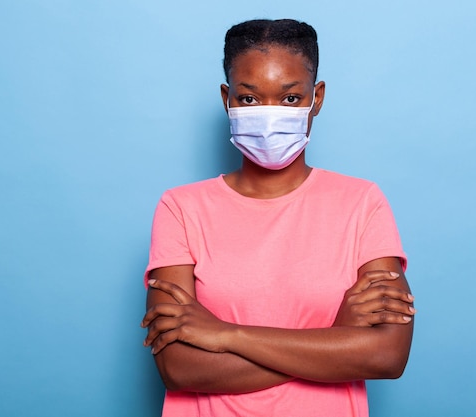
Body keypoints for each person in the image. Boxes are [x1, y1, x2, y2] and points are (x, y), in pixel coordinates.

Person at [141, 18, 415, 417]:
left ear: (316, 98)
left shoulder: (362, 204)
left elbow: (386, 356)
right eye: (250, 99)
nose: (269, 115)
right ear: (227, 99)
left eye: (289, 99)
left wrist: (224, 335)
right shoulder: (180, 208)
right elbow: (179, 367)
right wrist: (335, 342)